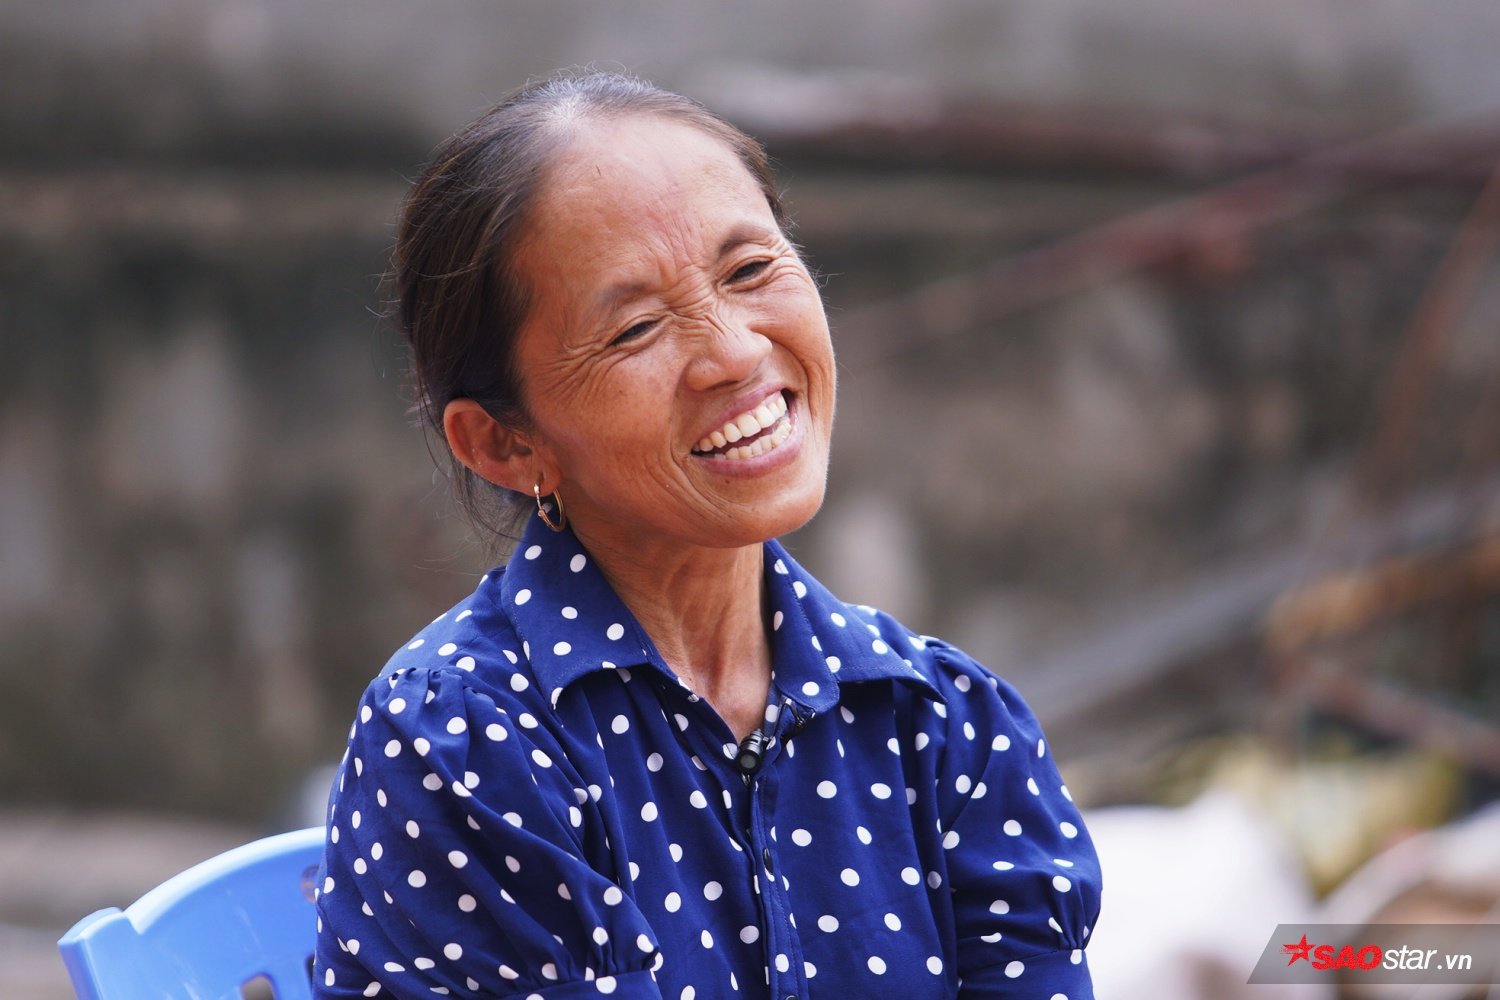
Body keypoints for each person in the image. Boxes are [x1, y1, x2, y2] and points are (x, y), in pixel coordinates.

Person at [313, 70, 1101, 1000]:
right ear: (505, 442)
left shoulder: (944, 725)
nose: (735, 352)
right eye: (636, 328)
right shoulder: (466, 745)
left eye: (751, 271)